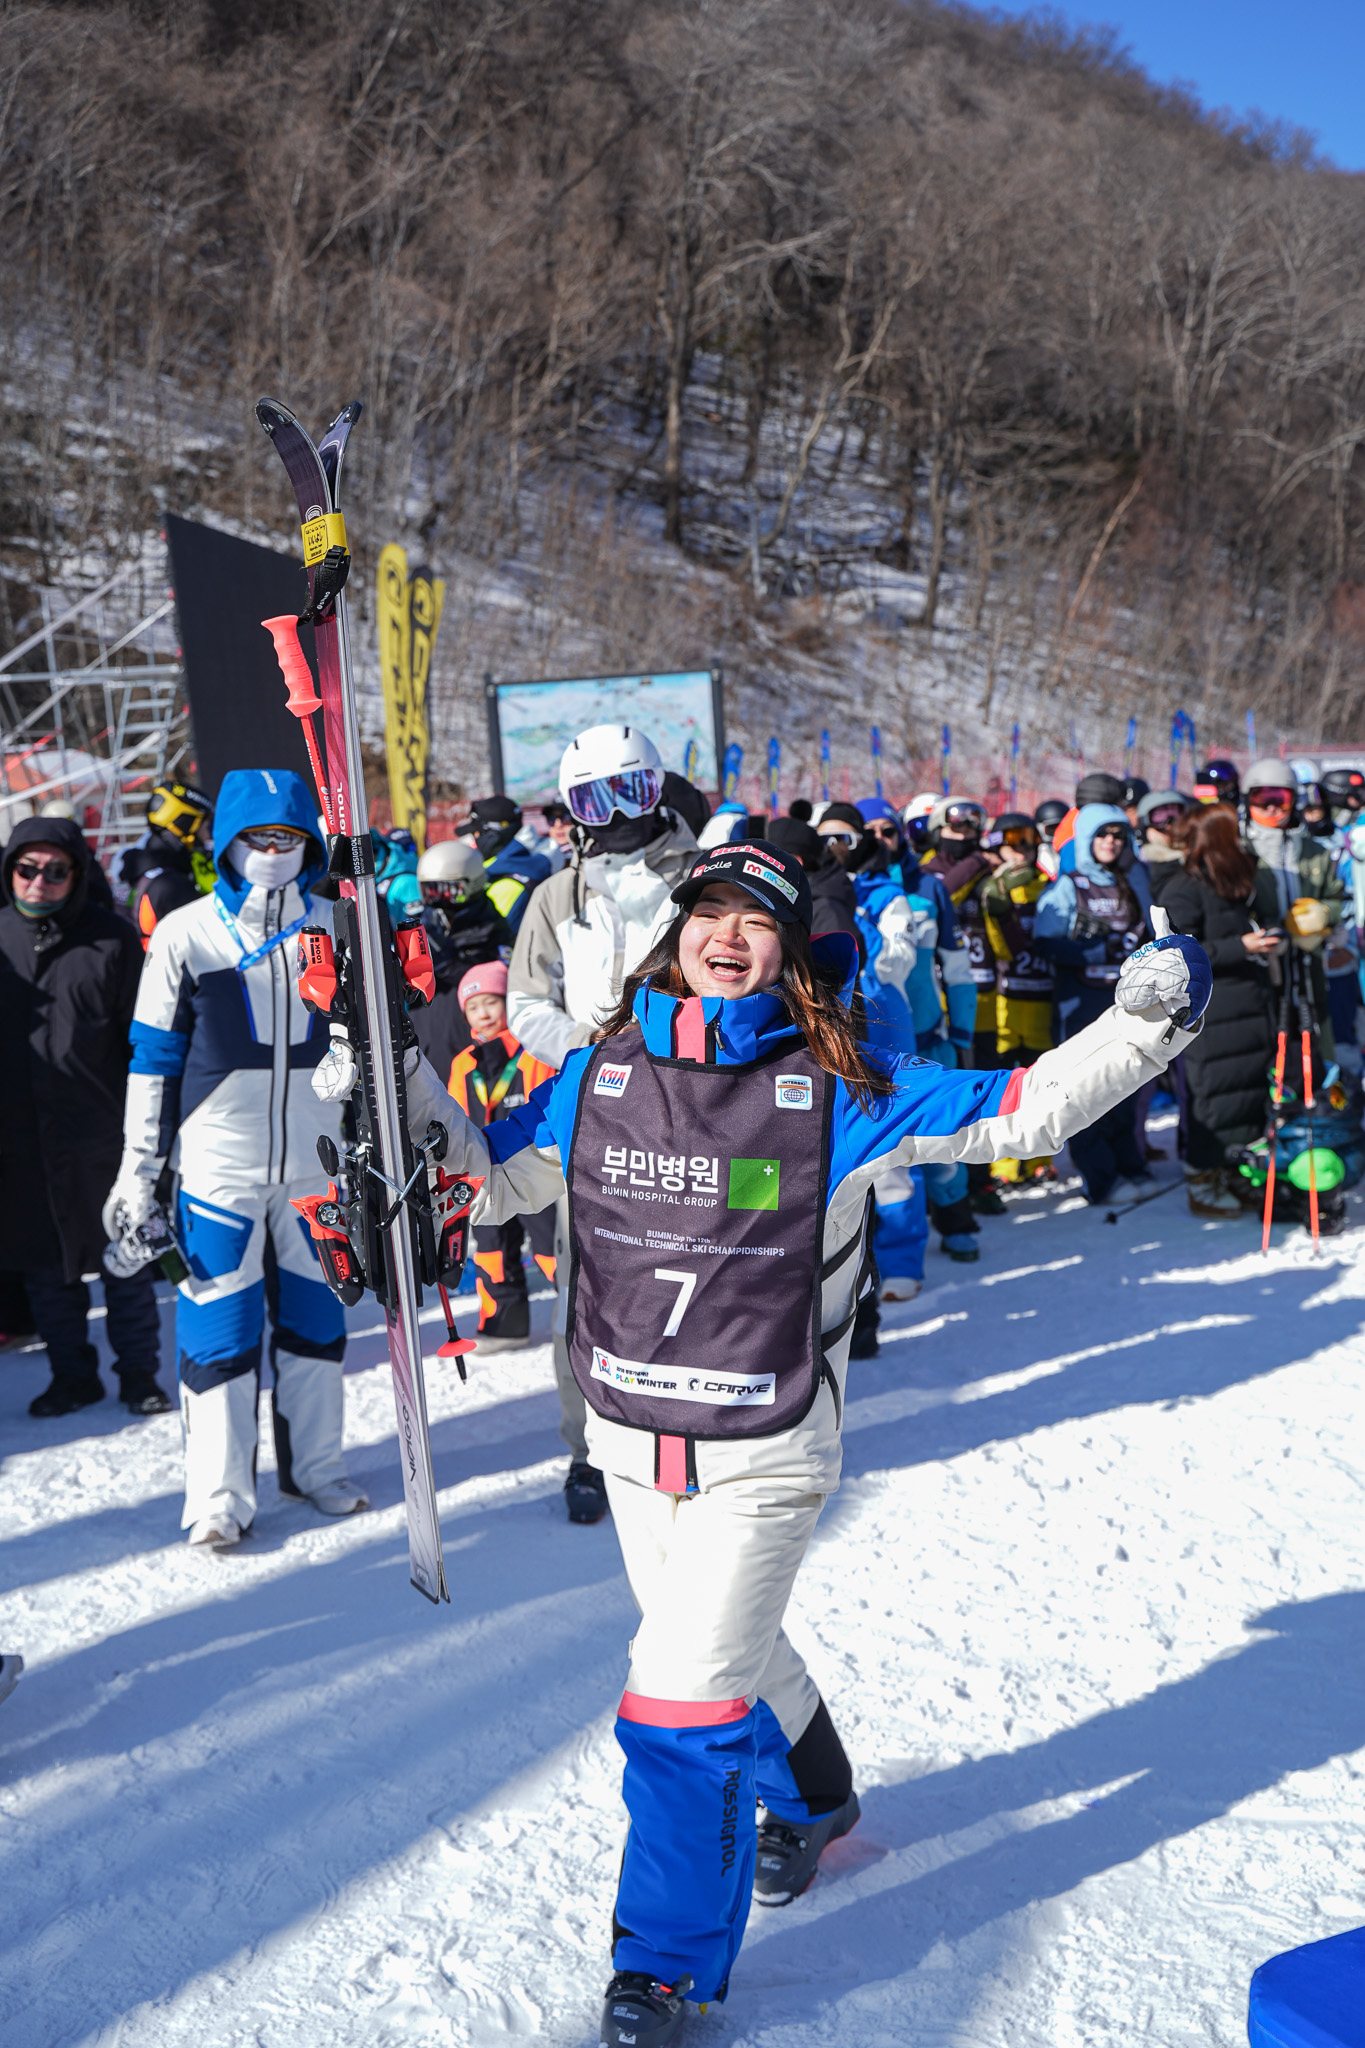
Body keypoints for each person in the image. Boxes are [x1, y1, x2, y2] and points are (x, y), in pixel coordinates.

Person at [367, 834, 1210, 2045]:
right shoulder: (601, 1071)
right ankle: (817, 1796)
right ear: (674, 934)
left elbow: (1020, 1108)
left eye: (755, 920)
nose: (727, 935)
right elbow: (489, 1179)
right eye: (707, 911)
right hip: (631, 1438)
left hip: (764, 1451)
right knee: (730, 1647)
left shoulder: (842, 1088)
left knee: (678, 1701)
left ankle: (662, 1966)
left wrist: (1145, 1024)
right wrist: (390, 1058)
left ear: (789, 953)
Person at [105, 770, 365, 1548]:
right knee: (218, 1334)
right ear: (226, 842)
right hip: (218, 1171)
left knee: (317, 1324)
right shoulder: (184, 932)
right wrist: (137, 1172)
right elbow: (152, 1060)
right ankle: (217, 1498)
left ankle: (316, 1468)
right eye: (258, 837)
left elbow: (379, 1048)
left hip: (318, 1168)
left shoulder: (339, 924)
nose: (274, 851)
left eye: (289, 837)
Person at [508, 723, 698, 1523]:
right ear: (572, 809)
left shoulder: (704, 878)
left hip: (695, 1106)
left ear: (658, 789)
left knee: (694, 1273)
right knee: (588, 1283)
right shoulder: (557, 896)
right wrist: (592, 1054)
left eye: (633, 791)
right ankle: (588, 1447)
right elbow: (525, 1003)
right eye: (596, 799)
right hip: (596, 1112)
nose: (618, 814)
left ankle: (688, 1434)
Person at [0, 817, 170, 1417]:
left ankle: (139, 1375)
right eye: (28, 868)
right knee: (48, 1273)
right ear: (10, 871)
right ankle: (72, 1377)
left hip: (101, 1135)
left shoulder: (111, 939)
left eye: (56, 870)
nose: (39, 881)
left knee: (125, 1262)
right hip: (22, 1142)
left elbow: (143, 1042)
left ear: (76, 875)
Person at [1161, 807, 1282, 1216]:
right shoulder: (1183, 888)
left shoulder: (1234, 882)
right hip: (1211, 1012)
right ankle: (1202, 1178)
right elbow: (1177, 955)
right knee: (1213, 1096)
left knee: (1246, 1094)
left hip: (1248, 1006)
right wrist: (1240, 947)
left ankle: (1233, 1170)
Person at [1035, 804, 1154, 1205]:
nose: (1110, 842)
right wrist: (1094, 949)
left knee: (1126, 1082)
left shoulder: (1129, 881)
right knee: (1086, 1089)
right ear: (1085, 838)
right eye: (1102, 834)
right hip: (1081, 1000)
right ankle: (1100, 1177)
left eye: (1118, 835)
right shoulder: (1069, 885)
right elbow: (1045, 942)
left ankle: (1129, 1164)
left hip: (1123, 999)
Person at [446, 961, 557, 1347]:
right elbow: (455, 1114)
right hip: (484, 1170)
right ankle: (503, 1323)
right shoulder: (464, 1063)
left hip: (532, 1166)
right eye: (474, 1007)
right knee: (491, 1249)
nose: (484, 1013)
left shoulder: (531, 1052)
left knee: (551, 1248)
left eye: (491, 1002)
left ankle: (580, 1315)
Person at [1241, 759, 1345, 1049]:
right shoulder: (1240, 852)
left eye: (1281, 799)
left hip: (1309, 966)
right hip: (1263, 968)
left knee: (1317, 1033)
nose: (1272, 808)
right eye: (1262, 799)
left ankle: (1323, 1072)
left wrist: (1325, 913)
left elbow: (1338, 898)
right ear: (1248, 801)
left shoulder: (1315, 852)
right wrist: (1264, 929)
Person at [410, 838, 515, 1079]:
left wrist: (452, 965)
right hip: (426, 1033)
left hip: (466, 1037)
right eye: (430, 891)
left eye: (448, 890)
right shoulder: (425, 925)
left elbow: (499, 976)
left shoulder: (489, 928)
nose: (439, 899)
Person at [118, 779, 214, 947]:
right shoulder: (171, 885)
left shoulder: (142, 871)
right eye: (205, 826)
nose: (208, 835)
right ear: (185, 823)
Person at [466, 795, 551, 934]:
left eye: (477, 833)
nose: (473, 841)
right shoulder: (516, 865)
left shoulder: (509, 883)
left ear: (493, 836)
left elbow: (489, 938)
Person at [1137, 790, 1190, 908]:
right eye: (1159, 817)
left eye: (1175, 815)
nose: (1169, 826)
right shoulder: (1141, 864)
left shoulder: (1194, 857)